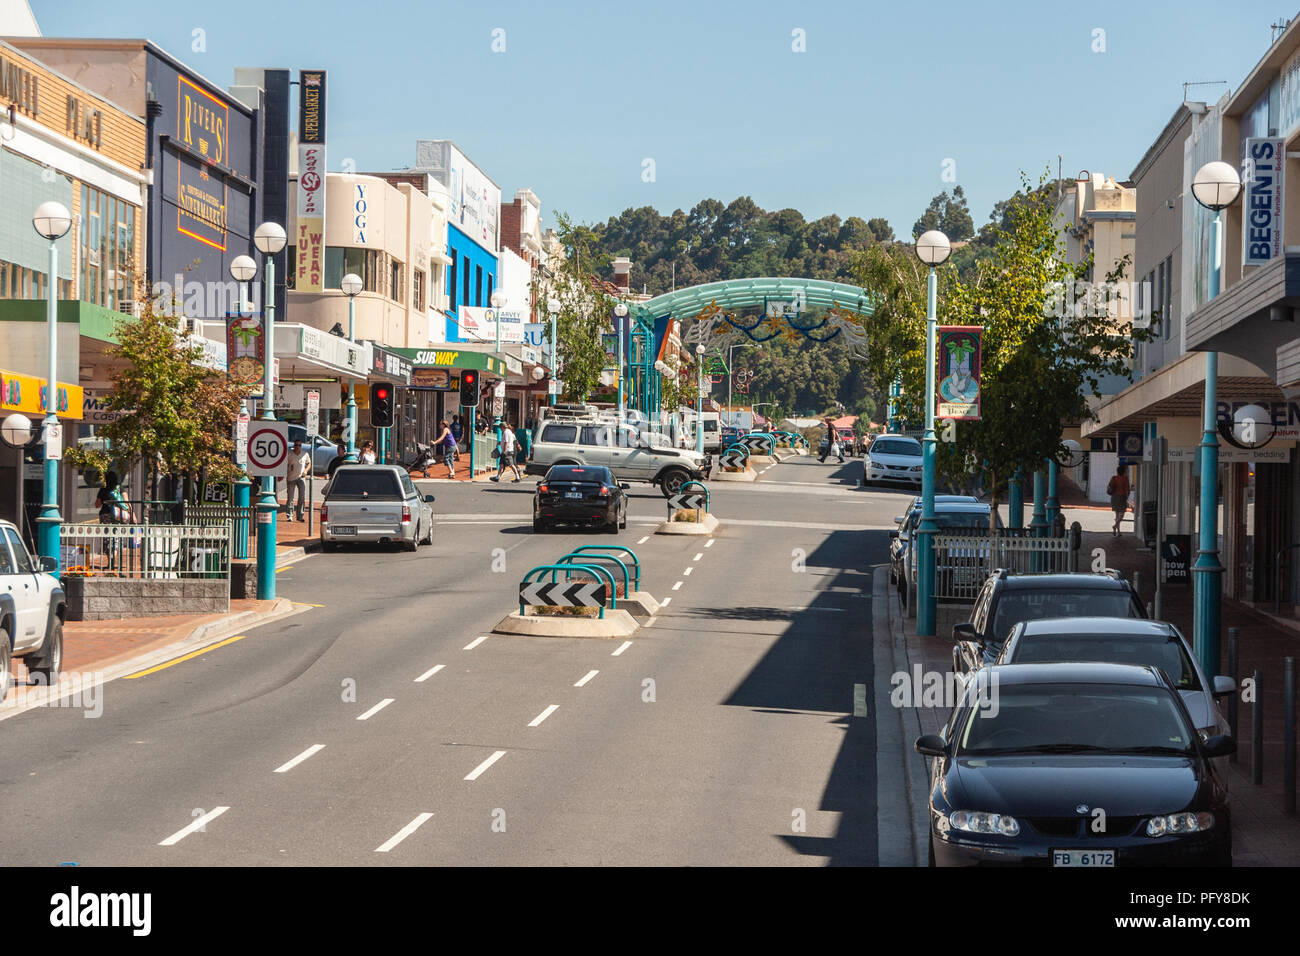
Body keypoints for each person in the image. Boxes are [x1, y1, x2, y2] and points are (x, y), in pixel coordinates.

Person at [284, 440, 310, 521]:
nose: (298, 446)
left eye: (299, 445)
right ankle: (289, 515)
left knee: (302, 497)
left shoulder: (305, 454)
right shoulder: (289, 454)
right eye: (296, 445)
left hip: (301, 478)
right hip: (291, 478)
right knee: (290, 498)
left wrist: (306, 470)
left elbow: (309, 463)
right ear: (294, 445)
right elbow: (285, 464)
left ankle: (300, 516)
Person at [1106, 464, 1131, 537]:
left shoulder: (1113, 478)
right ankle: (1115, 526)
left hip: (1114, 497)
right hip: (1122, 497)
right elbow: (1127, 490)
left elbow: (1109, 486)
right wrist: (1127, 497)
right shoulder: (1125, 478)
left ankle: (1118, 531)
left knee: (1117, 514)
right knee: (1122, 514)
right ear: (1124, 472)